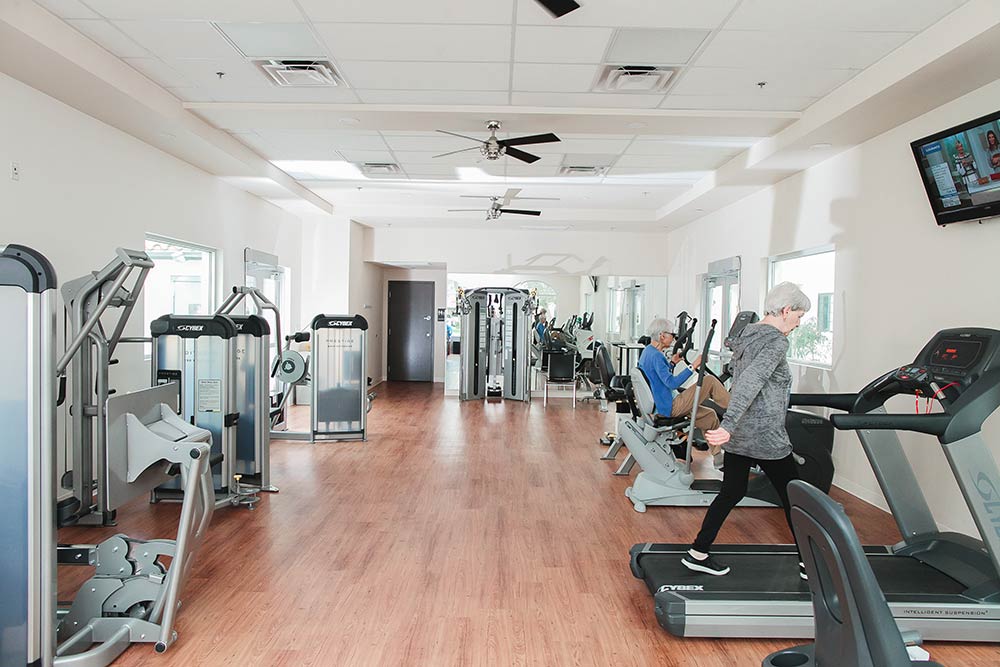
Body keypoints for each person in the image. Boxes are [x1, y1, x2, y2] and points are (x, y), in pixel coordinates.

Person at [681, 282, 811, 579]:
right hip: (764, 435)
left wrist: (731, 426)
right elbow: (750, 383)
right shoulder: (777, 342)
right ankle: (809, 562)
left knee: (731, 492)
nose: (799, 323)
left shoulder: (746, 334)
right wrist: (727, 426)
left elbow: (745, 383)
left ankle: (698, 552)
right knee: (795, 496)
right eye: (799, 316)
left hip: (742, 433)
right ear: (786, 310)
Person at [637, 318, 730, 434]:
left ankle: (717, 452)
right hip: (669, 406)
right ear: (662, 336)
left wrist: (672, 363)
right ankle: (737, 410)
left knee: (710, 417)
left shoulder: (648, 352)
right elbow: (672, 383)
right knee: (710, 381)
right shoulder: (656, 356)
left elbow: (658, 378)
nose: (674, 338)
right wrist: (694, 365)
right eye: (672, 334)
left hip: (662, 403)